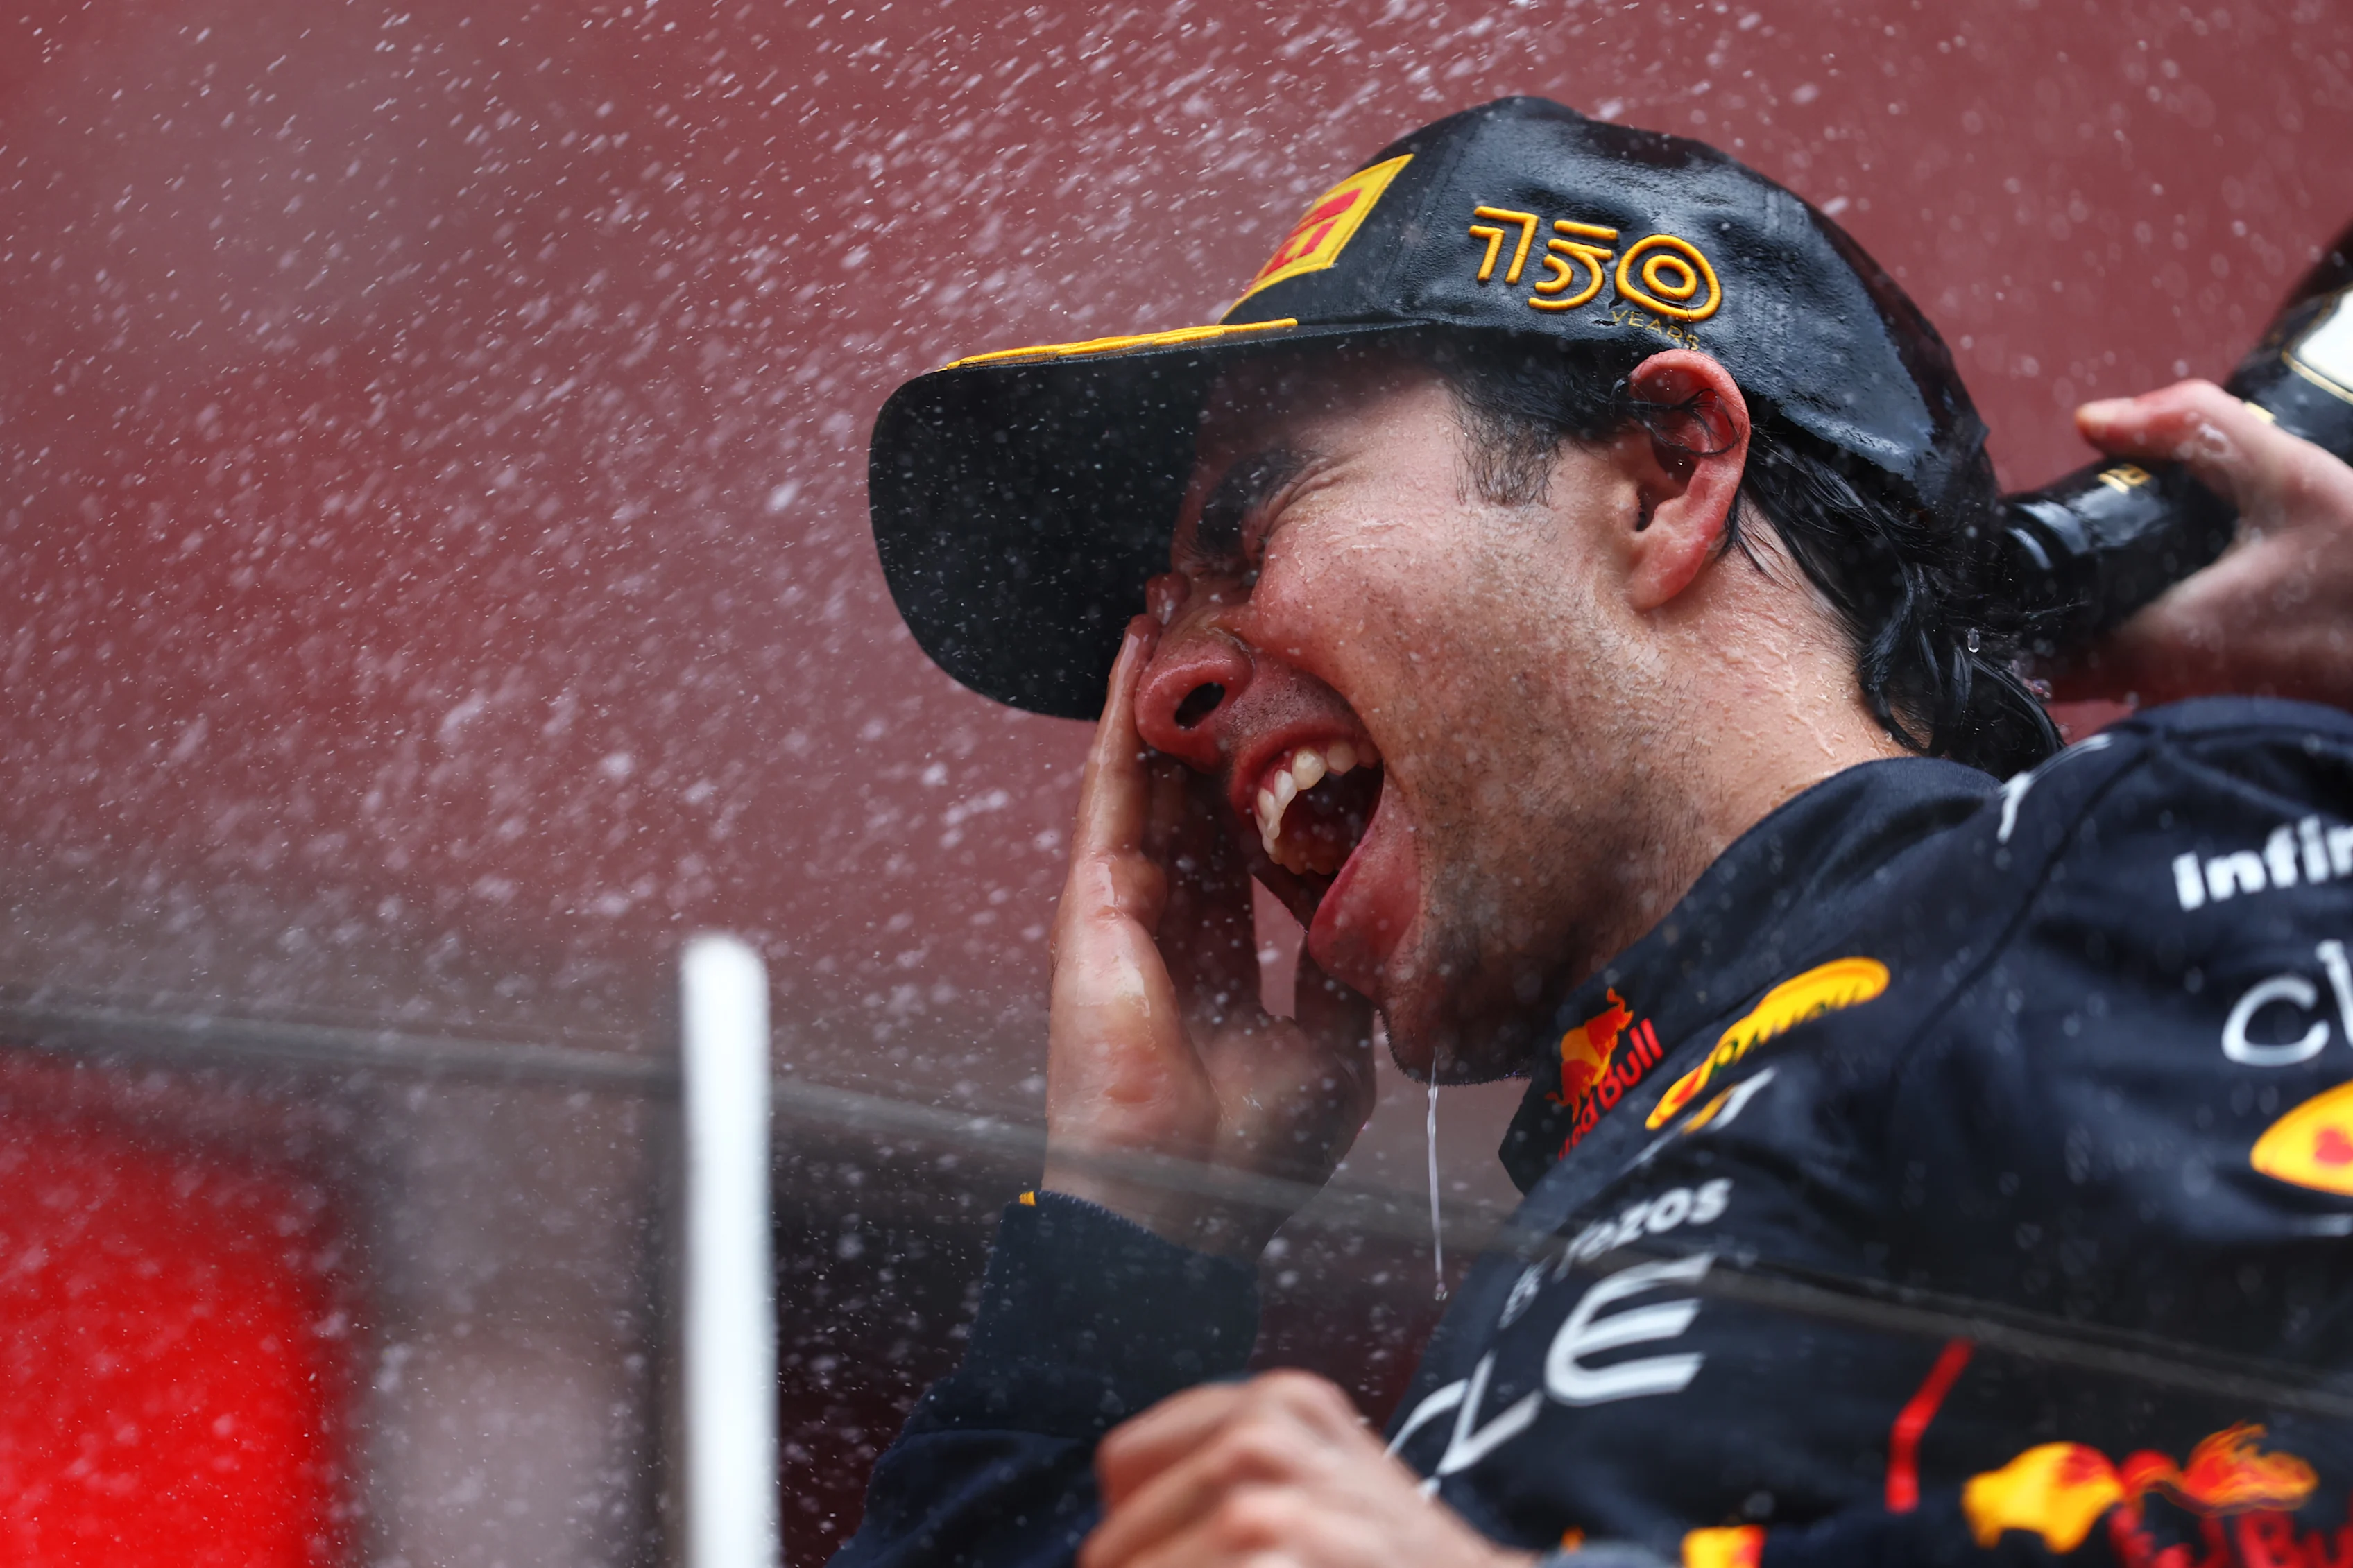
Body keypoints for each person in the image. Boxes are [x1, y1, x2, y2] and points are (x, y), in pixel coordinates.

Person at [844, 98, 2353, 1568]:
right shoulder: (1594, 1194)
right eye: (1156, 619)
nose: (1164, 695)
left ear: (1662, 475)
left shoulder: (2128, 858)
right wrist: (1134, 1234)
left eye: (1251, 534)